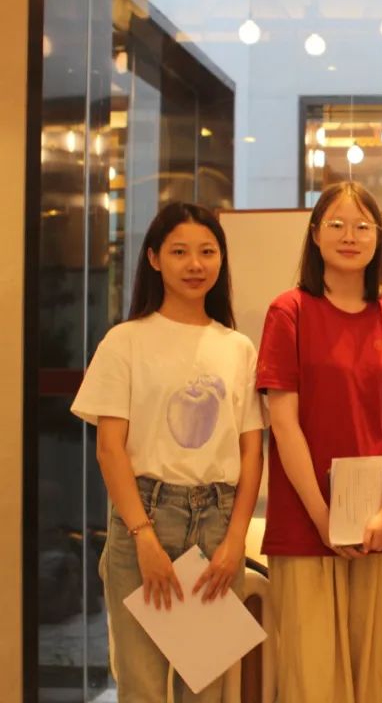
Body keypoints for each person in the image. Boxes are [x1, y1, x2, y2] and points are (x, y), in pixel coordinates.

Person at [71, 202, 265, 702]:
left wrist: (235, 540)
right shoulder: (125, 341)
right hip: (145, 515)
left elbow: (251, 453)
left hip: (217, 522)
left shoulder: (238, 348)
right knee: (142, 686)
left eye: (207, 252)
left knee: (206, 688)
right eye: (179, 252)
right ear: (154, 259)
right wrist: (144, 538)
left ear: (221, 259)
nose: (195, 264)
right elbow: (110, 450)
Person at [256, 181, 382, 702]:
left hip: (380, 519)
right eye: (336, 224)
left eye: (361, 226)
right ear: (315, 234)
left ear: (378, 238)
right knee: (312, 678)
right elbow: (283, 422)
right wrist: (321, 516)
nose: (349, 236)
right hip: (305, 517)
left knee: (378, 675)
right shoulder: (288, 311)